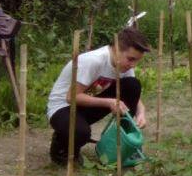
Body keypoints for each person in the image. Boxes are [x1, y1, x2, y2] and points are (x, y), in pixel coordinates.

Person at [46, 27, 150, 166]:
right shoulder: (93, 61)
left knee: (132, 84)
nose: (133, 65)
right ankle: (61, 146)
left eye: (137, 61)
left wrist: (140, 112)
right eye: (131, 59)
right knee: (80, 132)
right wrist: (110, 102)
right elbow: (71, 97)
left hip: (88, 104)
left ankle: (123, 142)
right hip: (63, 107)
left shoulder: (124, 66)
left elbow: (133, 93)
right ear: (115, 49)